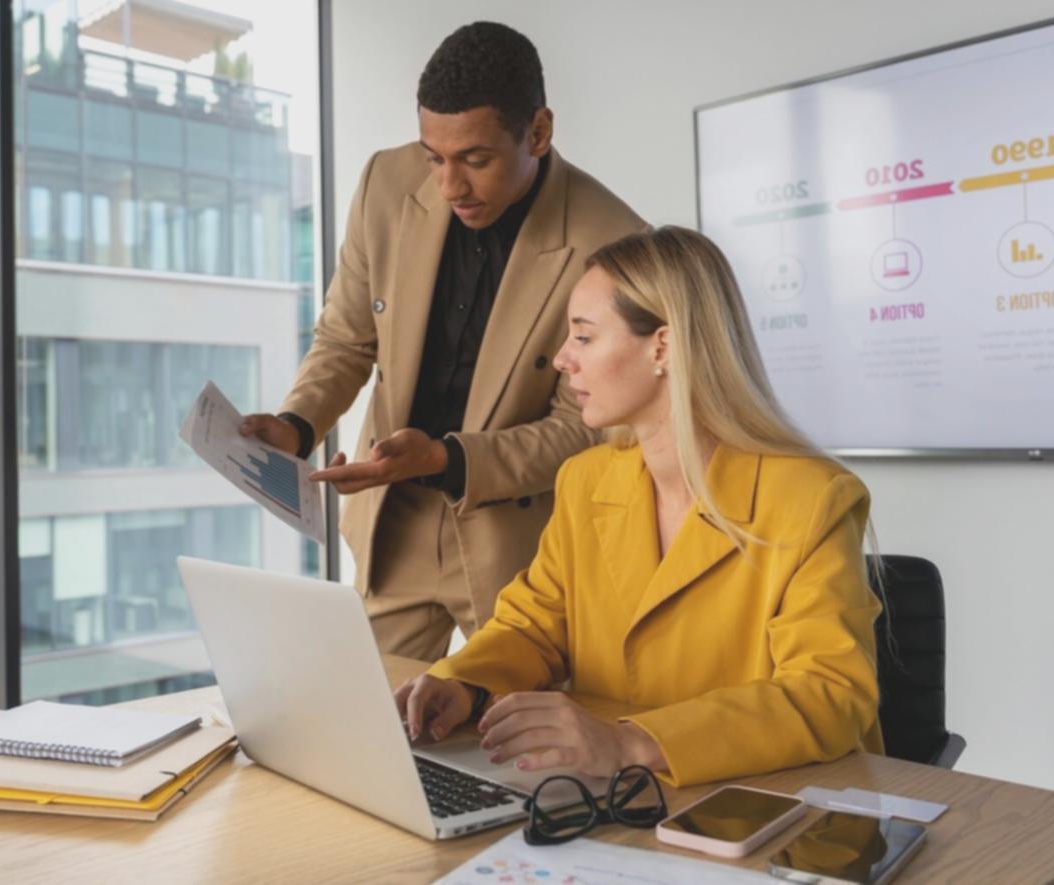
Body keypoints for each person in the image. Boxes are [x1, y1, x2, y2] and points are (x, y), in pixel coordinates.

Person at [395, 227, 884, 786]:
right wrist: (462, 682)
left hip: (758, 800)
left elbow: (829, 693)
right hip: (615, 795)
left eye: (583, 337)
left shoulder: (810, 497)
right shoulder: (586, 480)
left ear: (663, 347)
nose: (561, 359)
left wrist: (632, 740)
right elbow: (534, 627)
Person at [240, 22, 645, 661]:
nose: (449, 185)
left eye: (475, 160)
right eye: (435, 157)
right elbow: (347, 337)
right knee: (367, 732)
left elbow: (587, 426)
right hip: (391, 521)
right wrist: (296, 424)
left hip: (521, 544)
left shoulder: (613, 240)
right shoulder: (385, 180)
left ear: (538, 131)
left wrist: (448, 460)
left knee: (522, 748)